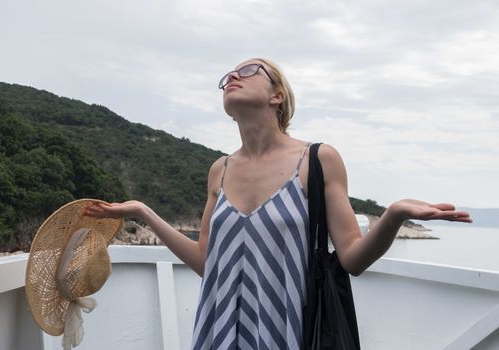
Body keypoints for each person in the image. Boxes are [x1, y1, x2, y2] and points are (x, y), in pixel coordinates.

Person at [84, 58, 472, 349]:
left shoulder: (318, 160)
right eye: (226, 78)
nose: (231, 77)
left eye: (249, 70)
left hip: (290, 330)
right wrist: (143, 212)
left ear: (277, 95)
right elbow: (207, 261)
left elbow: (352, 258)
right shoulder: (219, 170)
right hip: (217, 331)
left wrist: (393, 215)